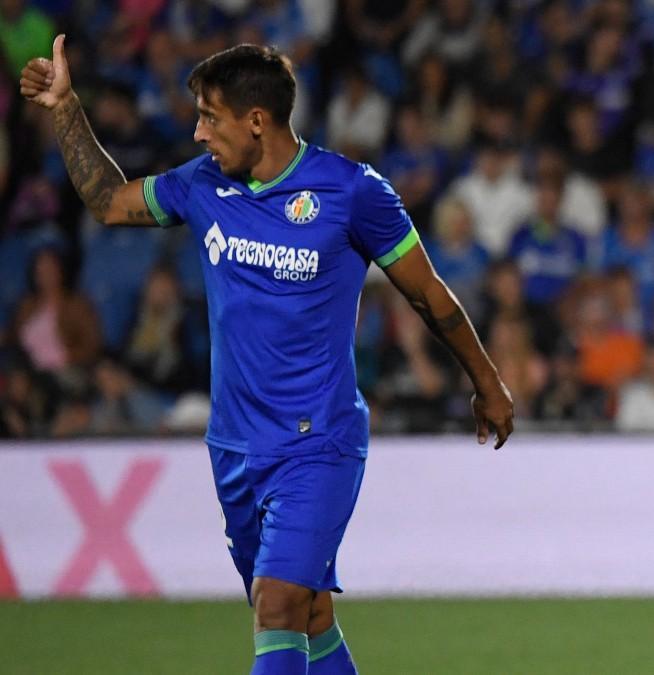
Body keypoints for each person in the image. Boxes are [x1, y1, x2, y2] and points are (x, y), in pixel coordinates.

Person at [21, 37, 514, 675]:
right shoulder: (201, 186)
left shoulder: (351, 192)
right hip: (234, 448)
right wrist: (65, 107)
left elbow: (428, 295)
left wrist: (488, 383)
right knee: (308, 616)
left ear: (257, 121)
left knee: (276, 604)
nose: (198, 134)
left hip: (319, 442)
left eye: (209, 117)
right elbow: (109, 202)